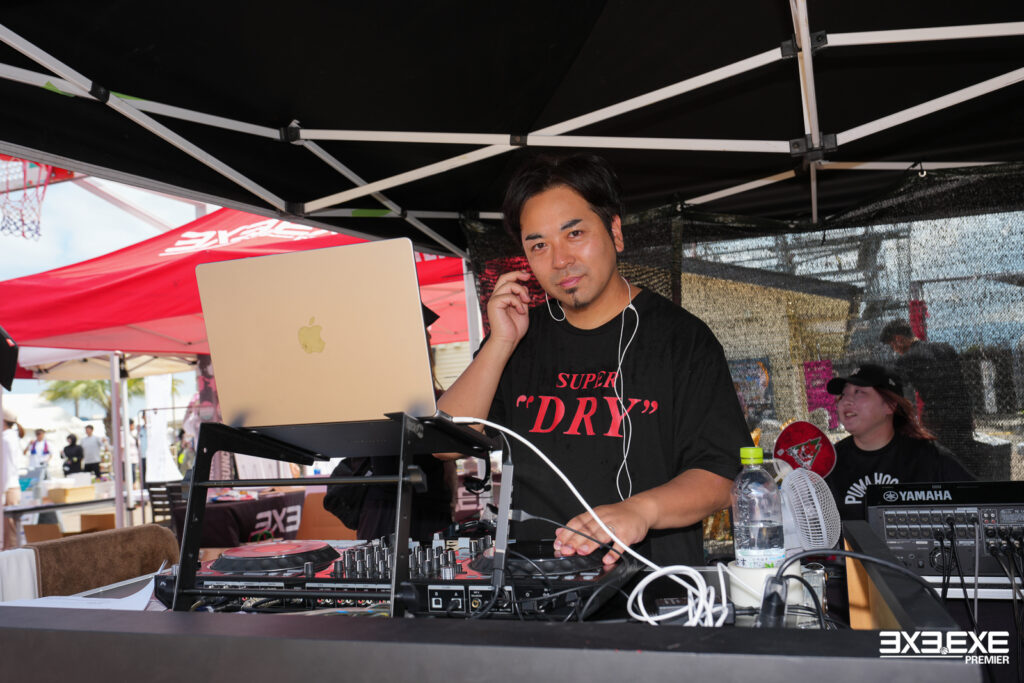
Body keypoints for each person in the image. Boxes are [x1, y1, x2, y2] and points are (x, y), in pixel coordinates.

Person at [436, 154, 749, 567]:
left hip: (654, 588)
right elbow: (445, 446)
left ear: (615, 232)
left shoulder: (683, 340)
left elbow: (722, 477)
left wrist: (640, 511)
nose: (560, 259)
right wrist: (500, 342)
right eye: (539, 245)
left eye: (575, 234)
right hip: (538, 586)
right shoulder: (517, 339)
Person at [324, 305, 455, 543]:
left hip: (419, 504)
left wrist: (450, 498)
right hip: (390, 505)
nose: (429, 338)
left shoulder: (432, 395)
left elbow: (448, 463)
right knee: (393, 563)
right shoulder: (379, 390)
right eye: (424, 335)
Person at [825, 364, 973, 520]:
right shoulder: (829, 463)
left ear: (890, 405)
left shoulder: (928, 458)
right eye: (843, 394)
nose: (846, 401)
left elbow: (977, 502)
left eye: (859, 392)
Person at [879, 319, 974, 459]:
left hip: (938, 419)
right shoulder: (946, 348)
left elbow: (891, 386)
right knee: (964, 458)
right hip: (962, 414)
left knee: (939, 459)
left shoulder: (908, 359)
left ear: (898, 339)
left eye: (892, 345)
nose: (894, 350)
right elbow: (962, 384)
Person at [2, 408, 23, 548]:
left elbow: (6, 468)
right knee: (11, 533)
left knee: (8, 537)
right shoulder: (12, 437)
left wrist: (2, 491)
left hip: (7, 488)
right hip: (12, 487)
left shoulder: (5, 439)